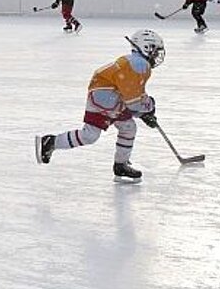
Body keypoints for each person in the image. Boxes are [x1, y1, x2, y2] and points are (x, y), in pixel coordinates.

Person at [35, 28, 165, 181]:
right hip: (106, 98)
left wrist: (142, 111)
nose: (157, 55)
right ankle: (50, 142)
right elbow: (133, 100)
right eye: (156, 51)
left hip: (109, 96)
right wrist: (148, 108)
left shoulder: (134, 62)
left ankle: (120, 165)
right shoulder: (140, 65)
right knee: (91, 135)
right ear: (147, 47)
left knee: (127, 127)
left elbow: (131, 94)